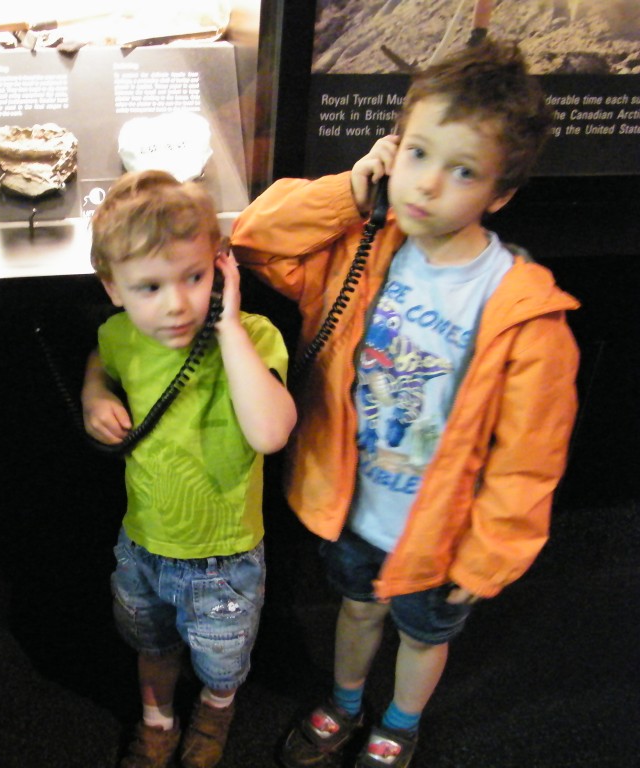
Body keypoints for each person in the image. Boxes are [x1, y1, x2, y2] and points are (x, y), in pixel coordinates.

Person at [231, 39, 579, 767]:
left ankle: (399, 724)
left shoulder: (525, 316)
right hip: (357, 506)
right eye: (417, 154)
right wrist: (350, 194)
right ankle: (345, 702)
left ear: (501, 193)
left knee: (422, 636)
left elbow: (528, 462)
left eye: (463, 171)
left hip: (443, 534)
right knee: (356, 610)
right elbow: (257, 238)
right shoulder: (365, 248)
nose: (427, 184)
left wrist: (485, 561)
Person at [82, 170, 297, 768]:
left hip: (224, 560)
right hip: (144, 545)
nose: (176, 304)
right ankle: (158, 720)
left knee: (222, 659)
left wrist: (227, 325)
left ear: (221, 268)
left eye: (195, 277)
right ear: (113, 288)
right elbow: (102, 355)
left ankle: (216, 709)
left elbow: (271, 432)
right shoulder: (123, 335)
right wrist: (94, 392)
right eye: (149, 287)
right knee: (151, 644)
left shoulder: (253, 338)